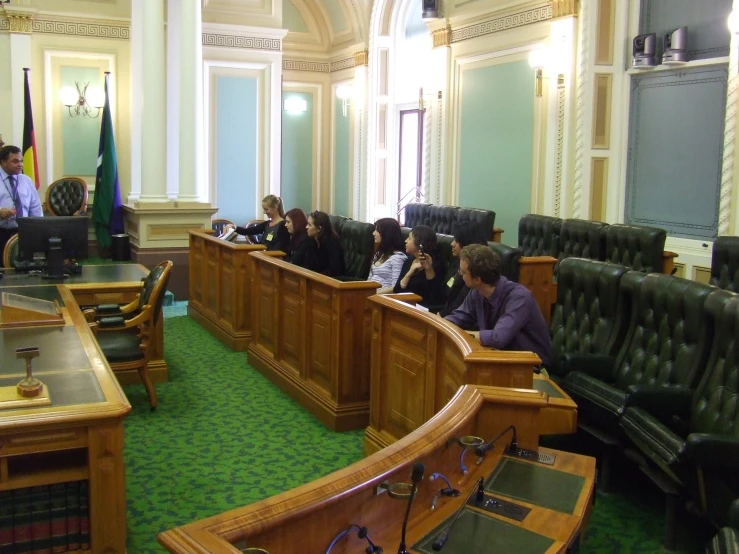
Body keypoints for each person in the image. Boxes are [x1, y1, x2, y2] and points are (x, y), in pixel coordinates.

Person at [444, 244, 552, 367]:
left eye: (462, 272)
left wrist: (461, 334)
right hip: (500, 358)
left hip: (533, 367)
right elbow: (457, 317)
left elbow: (498, 338)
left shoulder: (519, 297)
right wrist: (441, 324)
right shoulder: (477, 292)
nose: (459, 275)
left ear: (478, 279)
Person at [438, 220, 489, 317]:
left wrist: (441, 316)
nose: (452, 244)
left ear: (467, 243)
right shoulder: (456, 261)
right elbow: (444, 293)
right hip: (447, 315)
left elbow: (461, 306)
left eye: (457, 241)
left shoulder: (477, 269)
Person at [0, 145, 43, 255]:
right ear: (3, 161)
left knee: (26, 267)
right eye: (15, 161)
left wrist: (39, 229)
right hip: (2, 231)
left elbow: (35, 209)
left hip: (24, 232)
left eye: (21, 161)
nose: (20, 165)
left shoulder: (26, 180)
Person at [393, 225, 446, 308]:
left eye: (409, 238)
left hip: (421, 309)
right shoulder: (409, 261)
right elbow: (396, 291)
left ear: (420, 243)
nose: (405, 241)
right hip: (403, 305)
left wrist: (428, 269)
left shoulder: (436, 265)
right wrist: (409, 274)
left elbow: (435, 299)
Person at [368, 218, 407, 293]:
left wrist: (373, 294)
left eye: (377, 230)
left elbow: (395, 288)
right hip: (370, 294)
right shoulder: (378, 253)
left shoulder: (398, 258)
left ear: (386, 234)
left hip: (383, 298)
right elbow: (370, 278)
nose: (373, 233)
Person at [301, 211, 345, 277]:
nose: (306, 227)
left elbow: (334, 269)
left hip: (332, 280)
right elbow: (307, 263)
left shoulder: (332, 242)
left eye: (309, 225)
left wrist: (315, 276)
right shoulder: (311, 240)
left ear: (319, 229)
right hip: (316, 278)